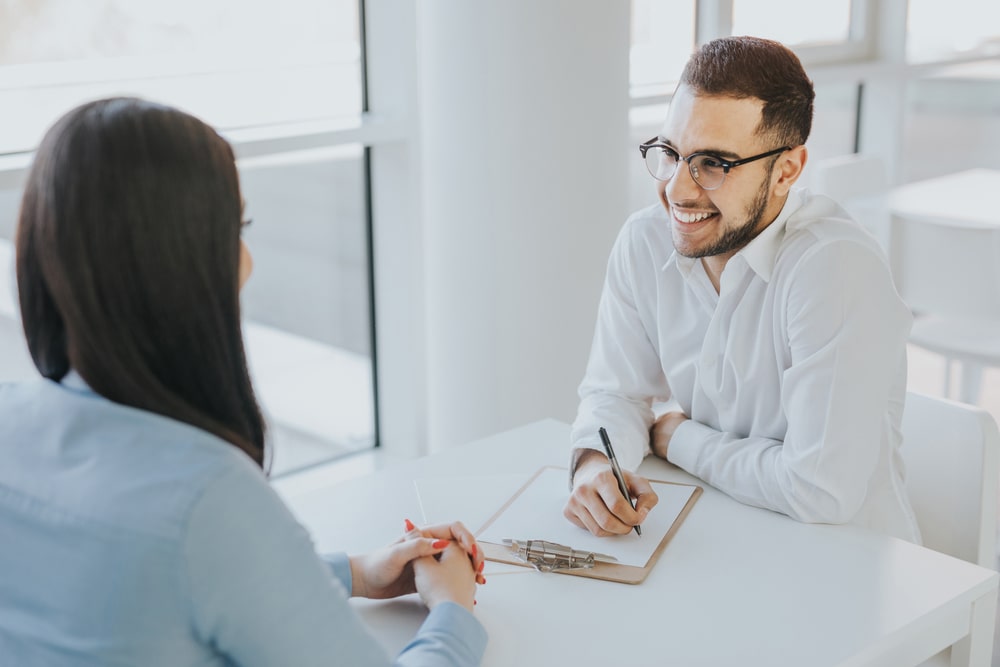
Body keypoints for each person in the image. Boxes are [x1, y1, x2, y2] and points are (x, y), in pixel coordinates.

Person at [0, 97, 487, 666]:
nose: (247, 260)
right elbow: (197, 557)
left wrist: (354, 573)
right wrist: (454, 609)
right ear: (179, 262)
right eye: (236, 229)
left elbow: (161, 586)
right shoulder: (207, 498)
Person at [564, 36, 920, 544]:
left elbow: (818, 491)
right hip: (723, 535)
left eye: (714, 164)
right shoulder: (644, 241)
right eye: (670, 153)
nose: (677, 190)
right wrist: (596, 468)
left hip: (849, 566)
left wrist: (677, 436)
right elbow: (615, 393)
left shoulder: (836, 269)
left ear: (787, 171)